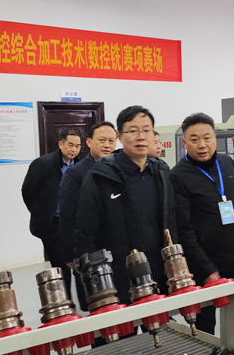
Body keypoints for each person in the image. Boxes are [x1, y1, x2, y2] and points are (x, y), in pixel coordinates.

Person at [72, 106, 178, 306]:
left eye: (146, 130)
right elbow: (85, 234)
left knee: (160, 324)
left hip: (159, 276)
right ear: (120, 136)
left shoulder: (162, 173)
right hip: (118, 280)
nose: (141, 136)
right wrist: (96, 288)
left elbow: (172, 223)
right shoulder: (101, 176)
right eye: (133, 131)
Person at [170, 112, 234, 335]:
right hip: (206, 263)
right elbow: (183, 229)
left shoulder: (226, 163)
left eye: (207, 138)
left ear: (215, 138)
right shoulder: (178, 176)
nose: (202, 145)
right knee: (206, 325)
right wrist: (206, 269)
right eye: (194, 139)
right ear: (184, 142)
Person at [57, 121, 117, 309]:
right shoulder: (76, 173)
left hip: (117, 246)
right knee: (98, 305)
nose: (107, 145)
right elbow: (67, 215)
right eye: (102, 140)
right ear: (89, 142)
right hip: (90, 250)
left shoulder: (119, 169)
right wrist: (71, 254)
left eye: (111, 141)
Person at [22, 130, 81, 292]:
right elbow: (28, 191)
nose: (74, 149)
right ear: (60, 144)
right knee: (62, 266)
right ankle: (66, 301)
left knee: (78, 264)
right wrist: (41, 212)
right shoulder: (43, 164)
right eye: (70, 145)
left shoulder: (78, 166)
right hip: (53, 224)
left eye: (77, 146)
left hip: (73, 224)